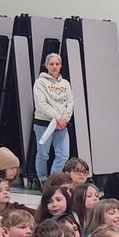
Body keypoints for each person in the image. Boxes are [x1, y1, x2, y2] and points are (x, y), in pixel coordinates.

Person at [32, 53, 74, 184]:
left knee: (63, 154)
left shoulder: (65, 84)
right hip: (44, 124)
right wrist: (57, 117)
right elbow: (41, 104)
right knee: (43, 154)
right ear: (46, 65)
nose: (54, 66)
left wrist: (65, 118)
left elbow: (70, 103)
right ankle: (43, 180)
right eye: (51, 64)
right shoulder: (40, 83)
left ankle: (53, 181)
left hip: (62, 125)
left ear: (61, 66)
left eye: (57, 64)